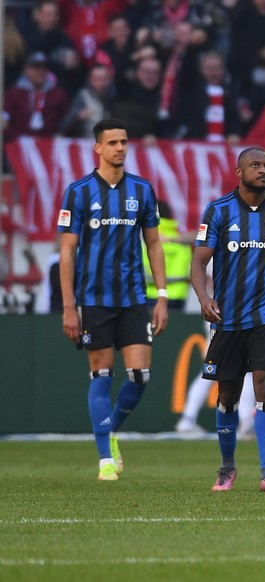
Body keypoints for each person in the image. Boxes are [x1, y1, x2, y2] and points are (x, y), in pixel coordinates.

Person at [190, 146, 265, 492]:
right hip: (227, 317)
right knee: (227, 394)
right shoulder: (219, 210)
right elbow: (198, 262)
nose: (263, 170)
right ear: (239, 172)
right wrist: (203, 297)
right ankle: (227, 469)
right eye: (255, 165)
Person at [57, 117, 169, 481]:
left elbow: (153, 242)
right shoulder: (78, 191)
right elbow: (67, 252)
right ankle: (105, 457)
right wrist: (69, 306)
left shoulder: (142, 189)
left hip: (135, 297)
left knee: (140, 375)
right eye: (113, 143)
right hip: (93, 300)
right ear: (98, 148)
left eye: (124, 141)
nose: (120, 148)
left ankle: (112, 430)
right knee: (102, 372)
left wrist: (162, 295)